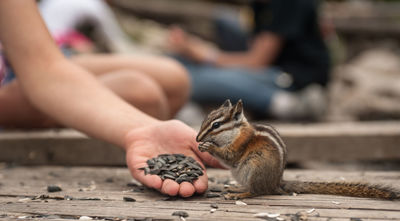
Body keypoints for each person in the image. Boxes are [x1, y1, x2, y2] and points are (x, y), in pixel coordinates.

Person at [0, 0, 220, 197]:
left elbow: (44, 70)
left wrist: (142, 129)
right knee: (142, 93)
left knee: (175, 77)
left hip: (19, 67)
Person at [168, 0, 331, 120]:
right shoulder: (260, 6)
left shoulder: (289, 4)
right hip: (269, 66)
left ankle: (285, 103)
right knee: (177, 62)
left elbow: (257, 61)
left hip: (291, 77)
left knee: (188, 79)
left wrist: (207, 56)